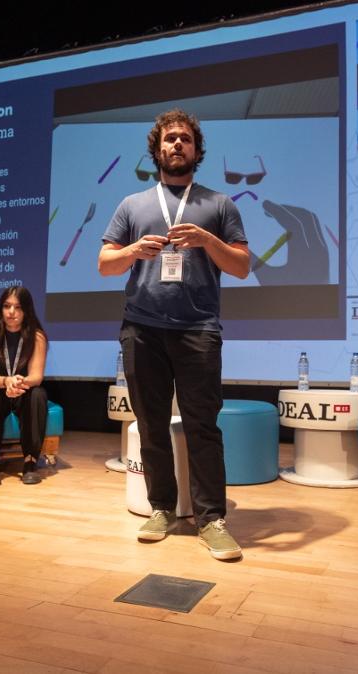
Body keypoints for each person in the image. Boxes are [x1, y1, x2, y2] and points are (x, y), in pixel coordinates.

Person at [98, 108, 250, 560]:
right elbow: (105, 264)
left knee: (203, 426)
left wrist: (208, 241)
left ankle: (211, 519)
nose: (177, 144)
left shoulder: (220, 205)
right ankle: (161, 507)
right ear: (157, 150)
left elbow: (241, 266)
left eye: (185, 138)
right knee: (150, 425)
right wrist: (131, 250)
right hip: (141, 329)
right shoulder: (132, 205)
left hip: (198, 330)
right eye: (169, 139)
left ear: (197, 150)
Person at [0, 286, 48, 486]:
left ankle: (30, 462)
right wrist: (7, 381)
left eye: (18, 307)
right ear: (1, 309)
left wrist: (19, 382)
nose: (11, 312)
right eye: (7, 306)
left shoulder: (37, 336)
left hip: (23, 388)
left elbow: (36, 377)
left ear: (26, 311)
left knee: (38, 394)